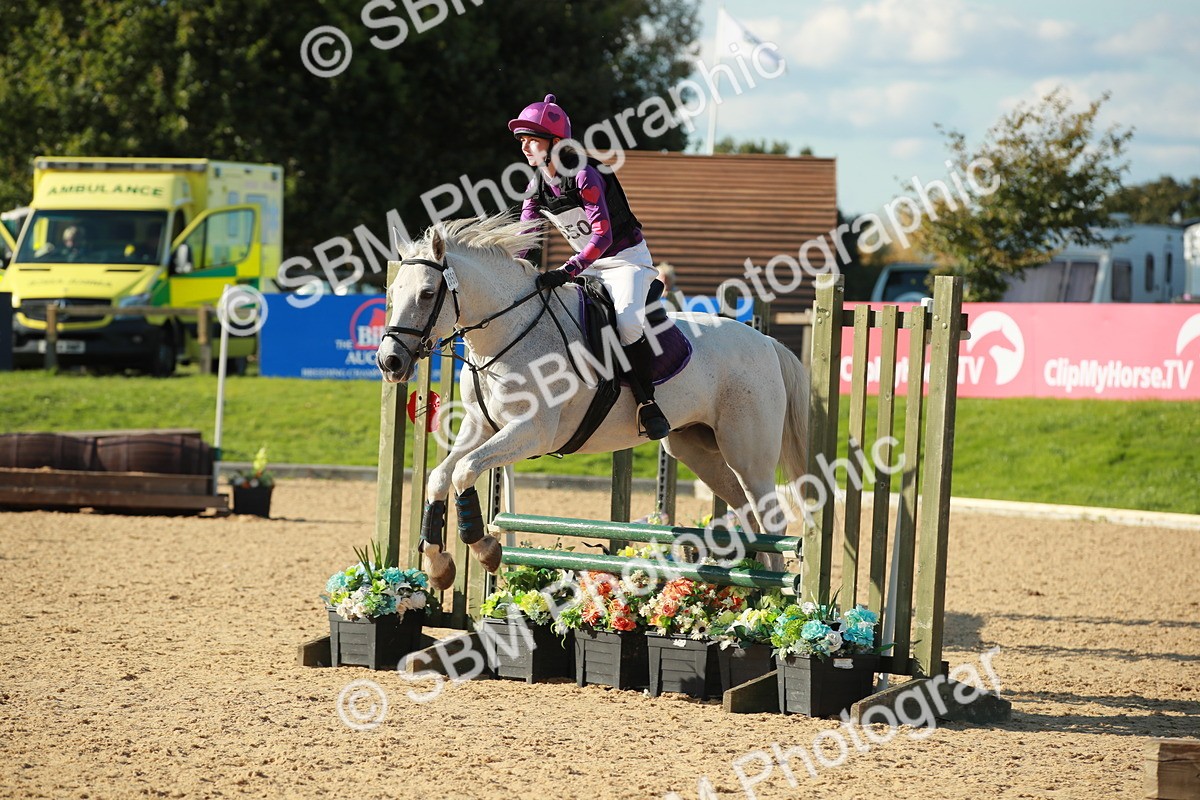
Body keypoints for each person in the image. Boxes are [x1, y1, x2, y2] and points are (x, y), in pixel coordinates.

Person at [510, 93, 670, 440]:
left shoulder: (584, 175)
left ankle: (647, 402)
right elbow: (526, 236)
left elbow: (603, 234)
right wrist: (513, 269)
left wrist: (567, 270)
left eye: (531, 140)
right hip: (587, 265)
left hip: (625, 260)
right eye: (522, 140)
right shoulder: (536, 185)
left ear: (555, 142)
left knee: (627, 325)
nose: (524, 147)